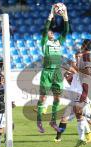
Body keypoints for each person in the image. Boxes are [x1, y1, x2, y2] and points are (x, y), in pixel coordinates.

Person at [54, 52, 91, 144]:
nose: (78, 58)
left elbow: (75, 71)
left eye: (79, 57)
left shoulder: (84, 68)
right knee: (76, 118)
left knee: (86, 117)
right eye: (76, 56)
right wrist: (67, 76)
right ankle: (59, 138)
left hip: (82, 97)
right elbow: (72, 79)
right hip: (74, 98)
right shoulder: (76, 68)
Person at [33, 5, 69, 133]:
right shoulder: (44, 42)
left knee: (57, 98)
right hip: (47, 72)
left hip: (57, 72)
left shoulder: (59, 42)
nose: (51, 32)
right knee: (43, 98)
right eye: (50, 31)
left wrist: (65, 17)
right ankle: (39, 122)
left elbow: (66, 31)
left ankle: (53, 121)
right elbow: (45, 30)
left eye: (52, 32)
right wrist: (50, 16)